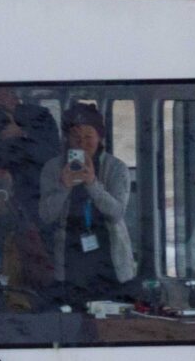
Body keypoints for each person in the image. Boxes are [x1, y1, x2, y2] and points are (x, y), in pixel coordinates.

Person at [37, 101, 138, 306]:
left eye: (88, 137)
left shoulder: (116, 168)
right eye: (76, 137)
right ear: (67, 139)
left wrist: (92, 183)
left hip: (110, 262)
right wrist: (63, 187)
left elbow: (117, 213)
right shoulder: (52, 168)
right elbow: (46, 215)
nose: (82, 143)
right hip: (70, 261)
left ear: (99, 137)